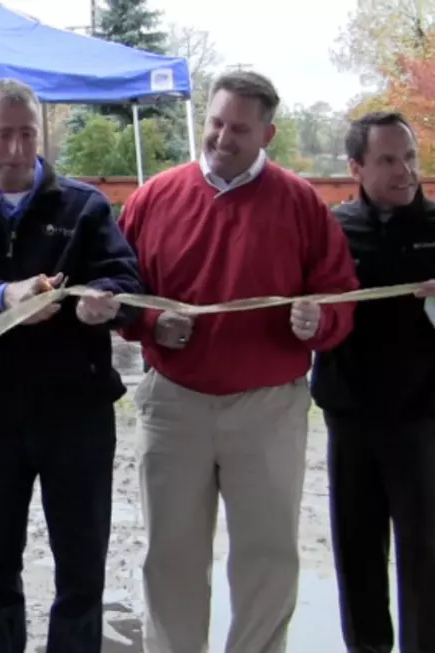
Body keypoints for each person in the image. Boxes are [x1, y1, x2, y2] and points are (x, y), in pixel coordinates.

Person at [116, 70, 360, 653]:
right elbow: (119, 286)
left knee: (267, 555)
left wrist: (317, 321)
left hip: (268, 406)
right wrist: (148, 323)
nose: (223, 138)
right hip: (174, 403)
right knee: (170, 554)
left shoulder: (299, 202)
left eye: (240, 129)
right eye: (217, 123)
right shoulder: (155, 198)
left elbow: (339, 292)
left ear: (267, 134)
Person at [0, 78, 144, 653]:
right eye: (2, 135)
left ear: (41, 135)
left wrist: (103, 302)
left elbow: (124, 277)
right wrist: (5, 297)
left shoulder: (84, 204)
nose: (17, 150)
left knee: (81, 562)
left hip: (77, 413)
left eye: (27, 134)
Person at [311, 111, 435, 653]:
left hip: (423, 416)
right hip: (351, 413)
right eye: (388, 160)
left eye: (410, 157)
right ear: (356, 166)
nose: (405, 171)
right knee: (357, 548)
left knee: (425, 551)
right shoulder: (334, 230)